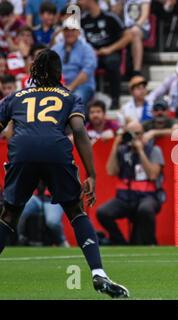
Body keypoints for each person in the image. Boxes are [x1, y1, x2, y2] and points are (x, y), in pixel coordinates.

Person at [0, 49, 129, 298]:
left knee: (8, 215)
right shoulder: (69, 97)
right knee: (75, 211)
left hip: (22, 150)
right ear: (59, 72)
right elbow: (79, 131)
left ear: (34, 71)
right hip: (56, 152)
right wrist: (91, 173)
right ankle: (98, 273)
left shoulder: (15, 97)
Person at [97, 121, 164, 245]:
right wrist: (115, 145)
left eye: (138, 134)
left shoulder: (154, 150)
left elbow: (153, 175)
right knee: (102, 212)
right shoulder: (123, 150)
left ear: (143, 134)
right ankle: (120, 242)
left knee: (145, 209)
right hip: (125, 197)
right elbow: (111, 171)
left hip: (147, 197)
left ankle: (149, 243)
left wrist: (140, 151)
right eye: (131, 134)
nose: (135, 137)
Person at [79, 0, 132, 110]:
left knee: (111, 62)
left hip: (110, 52)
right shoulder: (82, 20)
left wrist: (109, 49)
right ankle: (90, 100)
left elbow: (128, 36)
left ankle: (115, 99)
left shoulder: (110, 17)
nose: (79, 2)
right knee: (85, 64)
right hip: (91, 55)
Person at [51, 18, 97, 107]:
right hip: (59, 86)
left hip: (82, 86)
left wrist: (71, 87)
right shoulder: (56, 49)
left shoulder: (87, 49)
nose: (69, 33)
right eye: (67, 30)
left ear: (78, 32)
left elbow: (86, 72)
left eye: (73, 30)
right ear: (63, 32)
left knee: (75, 100)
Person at [17, 181, 69, 247]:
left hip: (53, 199)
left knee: (52, 222)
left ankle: (61, 241)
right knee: (20, 209)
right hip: (36, 197)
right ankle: (21, 237)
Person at [117, 0, 151, 76]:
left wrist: (136, 26)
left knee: (135, 33)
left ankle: (136, 71)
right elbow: (115, 14)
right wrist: (120, 3)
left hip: (141, 28)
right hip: (125, 28)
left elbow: (145, 14)